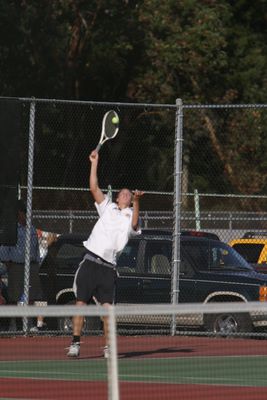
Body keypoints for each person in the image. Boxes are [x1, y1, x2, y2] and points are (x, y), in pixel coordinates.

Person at [67, 150, 144, 358]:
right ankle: (75, 343)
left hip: (108, 268)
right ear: (118, 197)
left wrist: (137, 202)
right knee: (80, 304)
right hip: (90, 262)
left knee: (108, 311)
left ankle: (108, 348)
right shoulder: (107, 207)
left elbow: (135, 224)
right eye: (125, 193)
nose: (128, 195)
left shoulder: (131, 216)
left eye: (130, 195)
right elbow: (93, 187)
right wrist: (94, 162)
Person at [0, 199, 45, 331]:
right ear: (18, 213)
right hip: (16, 267)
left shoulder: (31, 228)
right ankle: (15, 324)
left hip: (31, 266)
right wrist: (9, 264)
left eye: (28, 213)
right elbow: (4, 248)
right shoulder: (11, 229)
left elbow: (36, 248)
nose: (27, 216)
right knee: (16, 297)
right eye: (24, 213)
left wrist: (36, 263)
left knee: (35, 296)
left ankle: (33, 324)